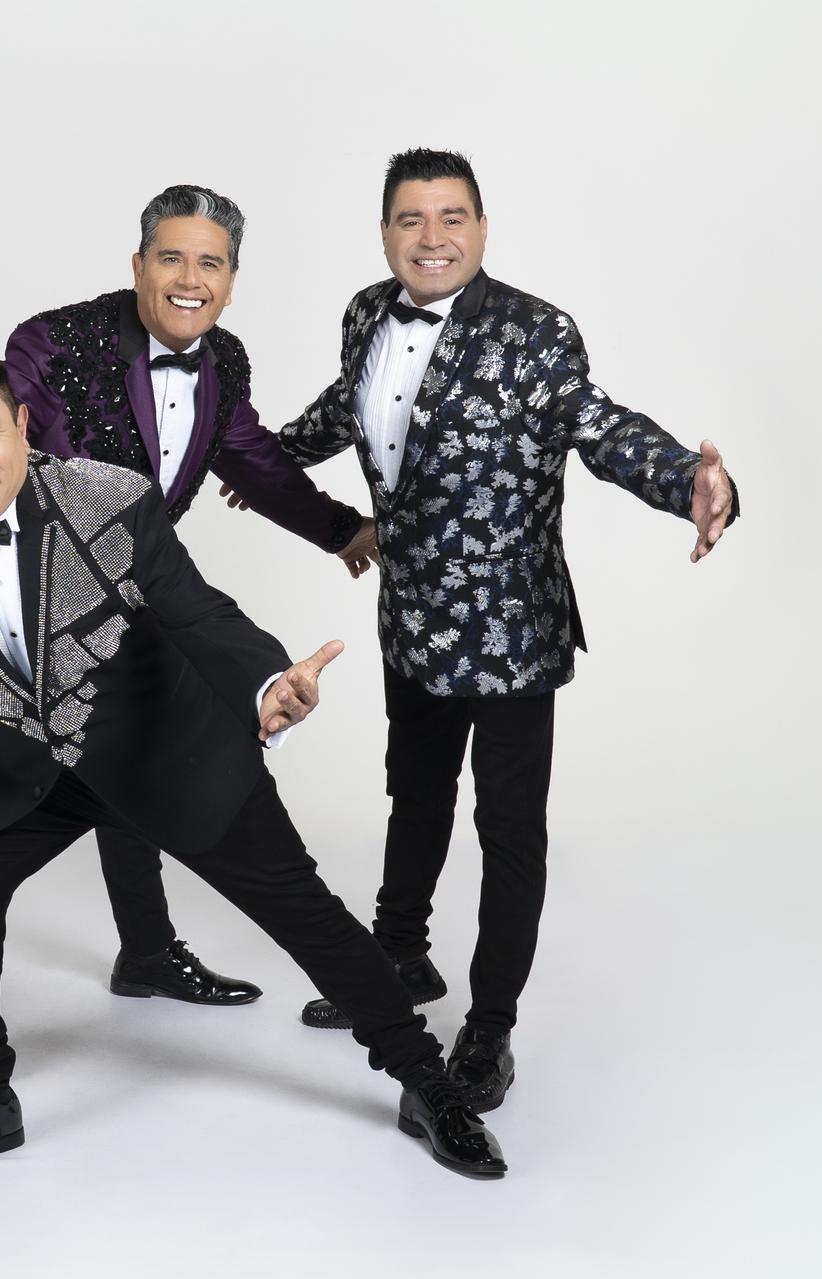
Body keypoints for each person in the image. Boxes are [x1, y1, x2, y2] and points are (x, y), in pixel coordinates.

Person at [0, 345, 509, 1184]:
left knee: (307, 914)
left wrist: (266, 685)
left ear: (23, 428)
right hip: (17, 768)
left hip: (163, 747)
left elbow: (201, 614)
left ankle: (424, 1081)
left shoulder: (110, 499)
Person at [0, 186, 380, 1008]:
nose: (189, 278)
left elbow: (251, 457)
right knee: (37, 800)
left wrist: (342, 529)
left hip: (144, 593)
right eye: (171, 258)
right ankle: (62, 981)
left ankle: (153, 951)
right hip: (30, 606)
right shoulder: (56, 343)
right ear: (138, 265)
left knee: (150, 753)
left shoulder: (224, 361)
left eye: (209, 263)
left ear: (232, 280)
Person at [263, 148, 738, 1115]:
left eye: (452, 217)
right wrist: (255, 458)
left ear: (482, 228)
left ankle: (490, 1026)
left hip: (513, 633)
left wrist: (687, 481)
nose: (432, 237)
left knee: (509, 831)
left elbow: (600, 427)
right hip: (411, 621)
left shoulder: (535, 332)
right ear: (385, 233)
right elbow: (347, 406)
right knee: (414, 796)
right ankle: (398, 957)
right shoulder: (365, 313)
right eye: (411, 218)